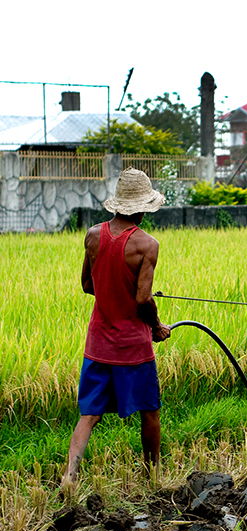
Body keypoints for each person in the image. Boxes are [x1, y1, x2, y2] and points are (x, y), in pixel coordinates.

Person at [62, 168, 171, 492]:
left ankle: (70, 476)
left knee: (89, 414)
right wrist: (156, 325)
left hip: (98, 342)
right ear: (142, 208)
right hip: (132, 346)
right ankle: (152, 476)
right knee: (150, 411)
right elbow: (142, 298)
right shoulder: (147, 244)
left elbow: (86, 284)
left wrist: (112, 293)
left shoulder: (93, 235)